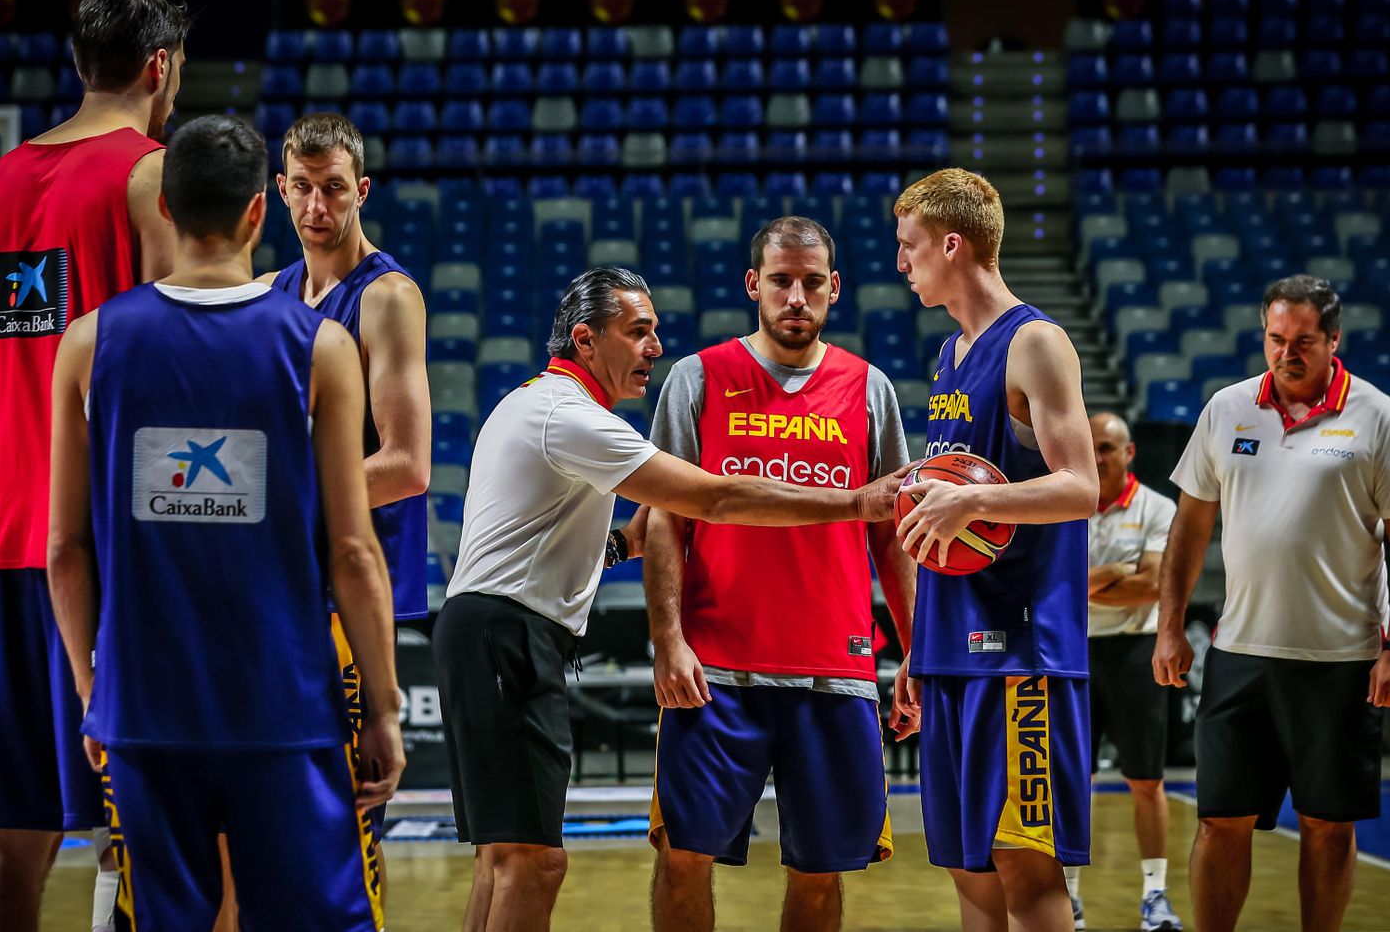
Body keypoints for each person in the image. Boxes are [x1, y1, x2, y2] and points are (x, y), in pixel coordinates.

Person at [435, 266, 909, 932]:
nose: (656, 347)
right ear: (585, 339)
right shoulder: (572, 417)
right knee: (531, 862)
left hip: (486, 627)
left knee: (502, 856)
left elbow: (546, 542)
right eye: (639, 332)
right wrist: (854, 500)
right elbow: (714, 496)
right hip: (506, 635)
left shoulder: (535, 403)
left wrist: (625, 547)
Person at [47, 115, 403, 931]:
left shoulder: (87, 341)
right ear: (259, 210)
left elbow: (66, 547)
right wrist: (382, 705)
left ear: (164, 210)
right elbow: (352, 549)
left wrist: (90, 687)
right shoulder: (320, 347)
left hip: (144, 705)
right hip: (284, 705)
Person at [0, 0, 186, 932]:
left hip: (8, 547)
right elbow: (178, 359)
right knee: (162, 824)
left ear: (81, 65)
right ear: (161, 67)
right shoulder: (150, 173)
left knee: (16, 831)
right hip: (118, 547)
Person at [643, 216, 918, 932]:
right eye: (781, 281)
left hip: (837, 668)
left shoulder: (869, 388)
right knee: (682, 854)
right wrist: (667, 638)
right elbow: (665, 521)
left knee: (822, 873)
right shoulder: (696, 378)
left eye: (812, 282)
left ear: (835, 288)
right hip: (714, 668)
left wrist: (917, 648)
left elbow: (892, 535)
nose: (797, 295)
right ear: (752, 285)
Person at [891, 168, 1099, 932]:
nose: (903, 262)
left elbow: (1083, 485)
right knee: (966, 863)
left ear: (952, 243)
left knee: (1024, 863)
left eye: (910, 246)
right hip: (952, 641)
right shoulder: (949, 354)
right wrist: (919, 641)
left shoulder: (1036, 341)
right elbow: (940, 517)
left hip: (1021, 654)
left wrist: (975, 496)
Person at [1154, 274, 1390, 932]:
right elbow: (1189, 529)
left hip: (1342, 658)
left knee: (1325, 822)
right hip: (1238, 655)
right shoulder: (1227, 408)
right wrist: (1169, 627)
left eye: (1304, 340)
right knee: (1220, 818)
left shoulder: (1377, 415)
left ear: (1334, 339)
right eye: (1276, 338)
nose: (1288, 352)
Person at [253, 110, 430, 926]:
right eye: (302, 188)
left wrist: (281, 493)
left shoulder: (388, 296)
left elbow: (406, 463)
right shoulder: (272, 293)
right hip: (290, 592)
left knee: (348, 823)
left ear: (360, 191)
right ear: (278, 191)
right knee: (275, 827)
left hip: (356, 595)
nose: (316, 206)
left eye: (333, 189)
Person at [1067, 412, 1181, 932]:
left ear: (1129, 453)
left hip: (1137, 652)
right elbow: (1054, 586)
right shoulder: (1065, 505)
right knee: (1071, 779)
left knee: (1146, 781)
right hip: (1073, 654)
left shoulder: (1159, 507)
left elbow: (1154, 586)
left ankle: (1155, 895)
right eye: (1090, 446)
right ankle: (1068, 895)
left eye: (1107, 447)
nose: (1097, 456)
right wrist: (1117, 572)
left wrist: (1087, 582)